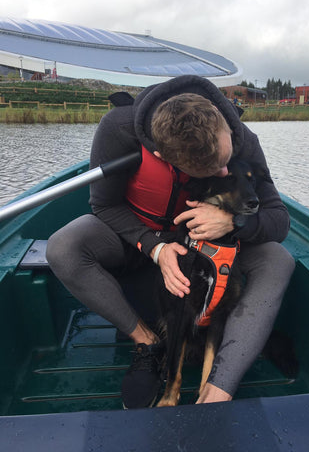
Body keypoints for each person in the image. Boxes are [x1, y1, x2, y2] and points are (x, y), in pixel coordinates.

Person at [46, 75, 295, 409]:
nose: (225, 173)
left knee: (278, 260)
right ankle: (147, 342)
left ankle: (219, 386)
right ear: (161, 153)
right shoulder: (118, 129)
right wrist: (155, 246)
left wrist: (233, 220)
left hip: (209, 243)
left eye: (226, 160)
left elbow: (279, 220)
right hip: (135, 234)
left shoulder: (241, 137)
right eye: (213, 170)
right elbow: (104, 205)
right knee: (63, 248)